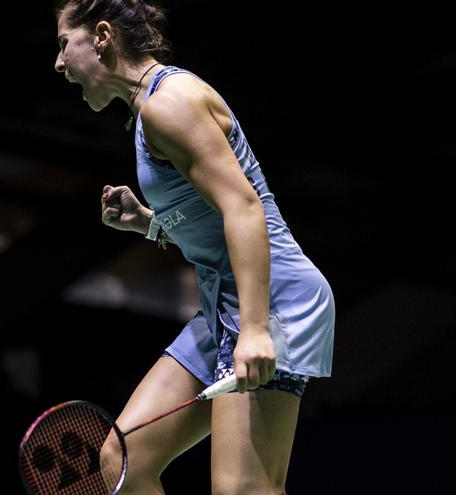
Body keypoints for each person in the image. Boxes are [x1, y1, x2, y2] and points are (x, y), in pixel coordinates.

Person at [53, 1, 335, 493]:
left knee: (242, 489)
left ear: (100, 36)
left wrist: (253, 330)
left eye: (62, 44)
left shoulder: (170, 103)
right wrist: (149, 225)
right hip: (224, 303)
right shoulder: (147, 112)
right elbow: (210, 221)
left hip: (271, 301)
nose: (58, 64)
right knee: (123, 459)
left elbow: (244, 208)